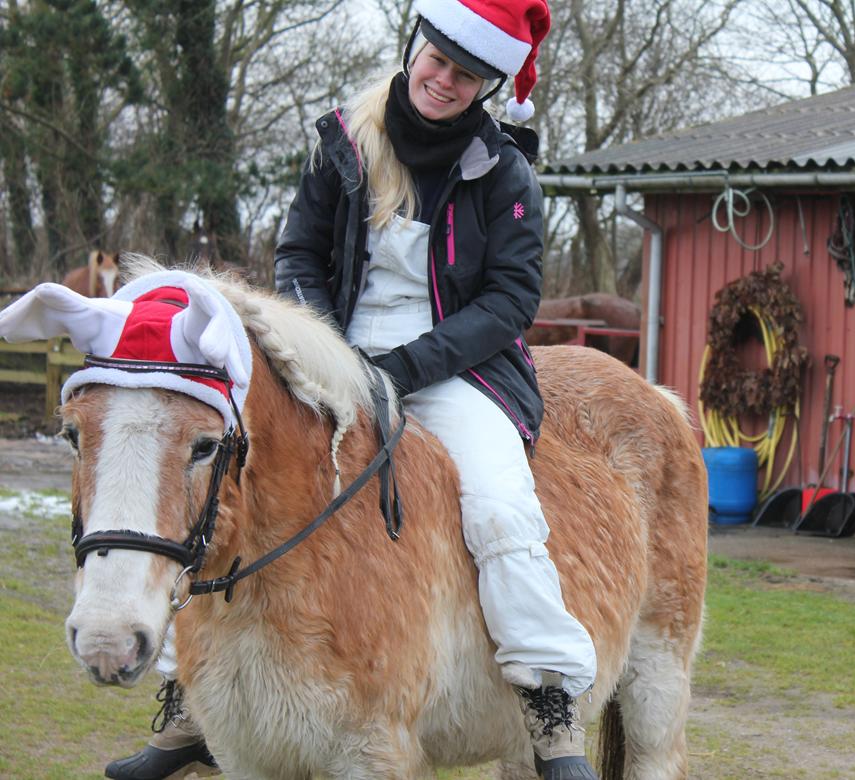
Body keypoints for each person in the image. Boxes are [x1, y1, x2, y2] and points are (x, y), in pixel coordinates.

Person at [106, 1, 598, 778]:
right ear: (415, 49)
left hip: (452, 368)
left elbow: (510, 302)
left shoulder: (505, 172)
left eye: (465, 74)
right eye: (436, 60)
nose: (444, 80)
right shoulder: (343, 142)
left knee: (502, 507)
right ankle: (185, 700)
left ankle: (549, 701)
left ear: (486, 87)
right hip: (329, 347)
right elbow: (299, 247)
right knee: (221, 489)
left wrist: (401, 371)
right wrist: (319, 351)